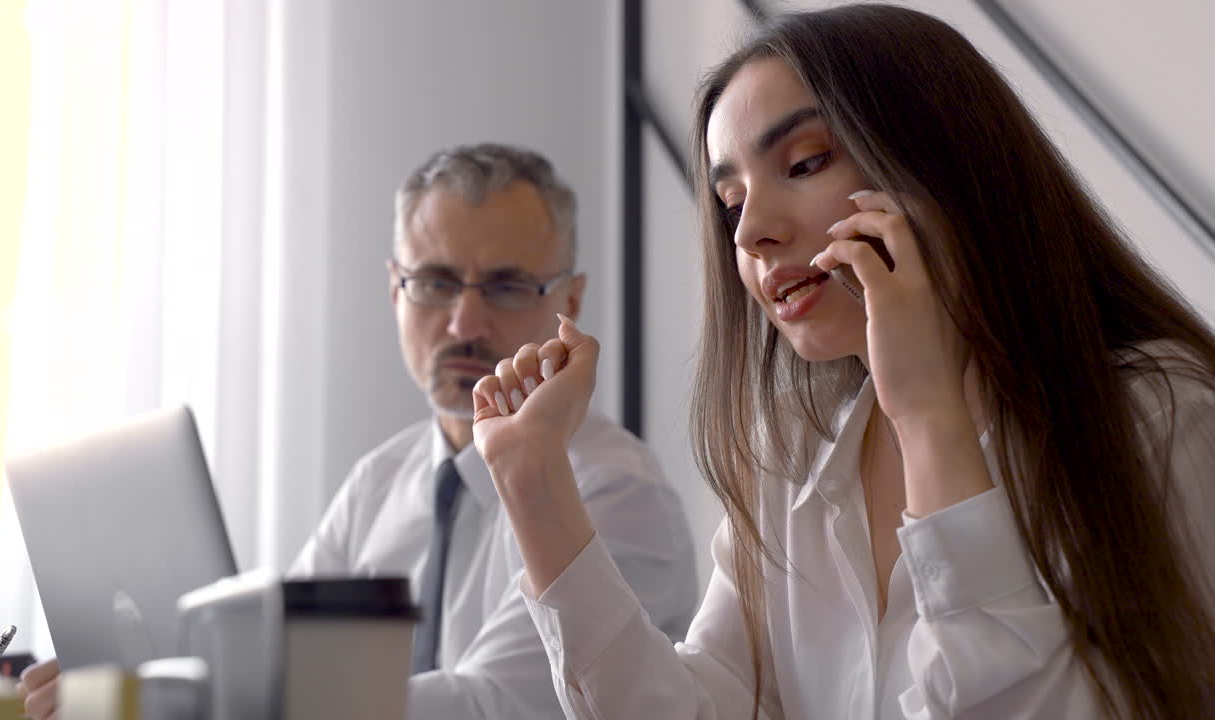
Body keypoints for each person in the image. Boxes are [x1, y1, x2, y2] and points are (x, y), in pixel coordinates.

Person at [470, 6, 1215, 720]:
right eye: (731, 203)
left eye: (806, 162)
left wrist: (928, 417)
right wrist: (531, 480)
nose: (752, 231)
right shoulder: (794, 452)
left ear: (948, 162)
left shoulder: (1163, 419)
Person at [16, 143, 698, 720]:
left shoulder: (615, 491)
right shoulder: (380, 481)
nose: (464, 324)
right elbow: (276, 657)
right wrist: (128, 693)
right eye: (434, 282)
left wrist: (194, 698)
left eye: (507, 286)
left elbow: (495, 704)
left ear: (570, 302)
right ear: (394, 289)